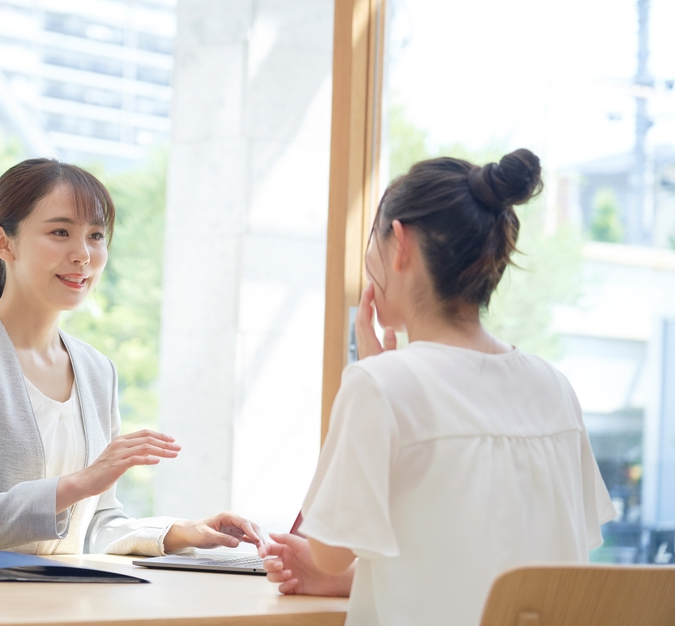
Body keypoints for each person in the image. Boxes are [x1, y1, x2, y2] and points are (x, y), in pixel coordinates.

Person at [259, 149, 616, 625]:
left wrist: (368, 379)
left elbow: (327, 551)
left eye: (374, 239)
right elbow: (495, 555)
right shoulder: (554, 387)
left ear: (400, 242)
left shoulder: (380, 387)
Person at [0, 158, 261, 557]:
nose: (83, 254)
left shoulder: (96, 371)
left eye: (96, 235)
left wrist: (177, 532)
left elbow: (96, 524)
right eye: (60, 232)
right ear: (3, 242)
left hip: (50, 602)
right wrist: (81, 482)